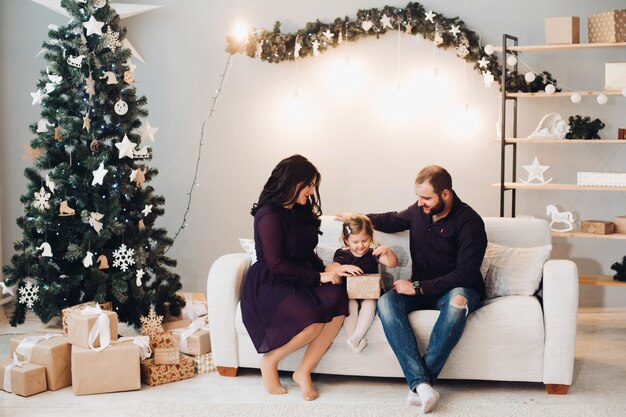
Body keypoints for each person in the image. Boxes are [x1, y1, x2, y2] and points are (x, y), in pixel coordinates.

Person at [337, 165, 487, 414]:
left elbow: (466, 273)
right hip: (421, 289)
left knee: (458, 301)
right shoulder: (419, 211)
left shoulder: (470, 222)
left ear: (446, 194)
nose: (420, 203)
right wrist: (357, 217)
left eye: (427, 198)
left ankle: (418, 383)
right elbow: (392, 219)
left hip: (457, 288)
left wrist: (417, 287)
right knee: (386, 302)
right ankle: (423, 386)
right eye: (418, 197)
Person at [240, 154, 348, 401]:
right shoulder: (268, 215)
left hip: (302, 275)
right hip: (271, 281)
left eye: (312, 185)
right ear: (292, 182)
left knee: (338, 302)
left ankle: (303, 371)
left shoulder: (300, 211)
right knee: (312, 322)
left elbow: (306, 252)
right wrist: (319, 277)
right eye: (308, 184)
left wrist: (328, 271)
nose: (311, 191)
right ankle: (270, 362)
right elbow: (276, 263)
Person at [325, 214, 397, 353]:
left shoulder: (373, 253)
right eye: (355, 242)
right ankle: (352, 338)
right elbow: (329, 269)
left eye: (365, 240)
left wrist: (387, 251)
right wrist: (343, 267)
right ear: (346, 241)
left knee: (369, 302)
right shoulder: (343, 254)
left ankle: (357, 336)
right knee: (350, 304)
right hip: (350, 293)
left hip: (370, 292)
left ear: (371, 237)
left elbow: (392, 263)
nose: (361, 246)